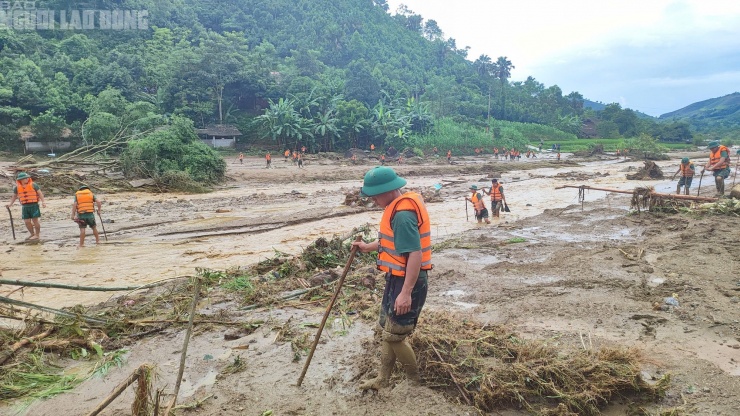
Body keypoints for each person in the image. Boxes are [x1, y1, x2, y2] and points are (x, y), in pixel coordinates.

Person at [352, 166, 431, 390]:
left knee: (395, 336)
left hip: (408, 281)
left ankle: (414, 383)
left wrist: (406, 292)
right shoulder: (396, 206)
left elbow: (415, 253)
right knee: (388, 331)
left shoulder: (403, 215)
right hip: (396, 278)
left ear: (389, 190)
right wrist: (367, 247)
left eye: (375, 194)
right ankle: (383, 379)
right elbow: (393, 242)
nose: (374, 199)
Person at [7, 172, 47, 240]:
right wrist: (10, 204)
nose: (27, 179)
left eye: (27, 178)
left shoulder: (34, 185)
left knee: (35, 221)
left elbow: (40, 193)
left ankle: (37, 235)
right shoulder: (17, 188)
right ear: (20, 180)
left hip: (34, 205)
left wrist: (43, 202)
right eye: (25, 178)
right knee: (27, 221)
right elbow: (14, 196)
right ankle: (32, 234)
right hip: (25, 206)